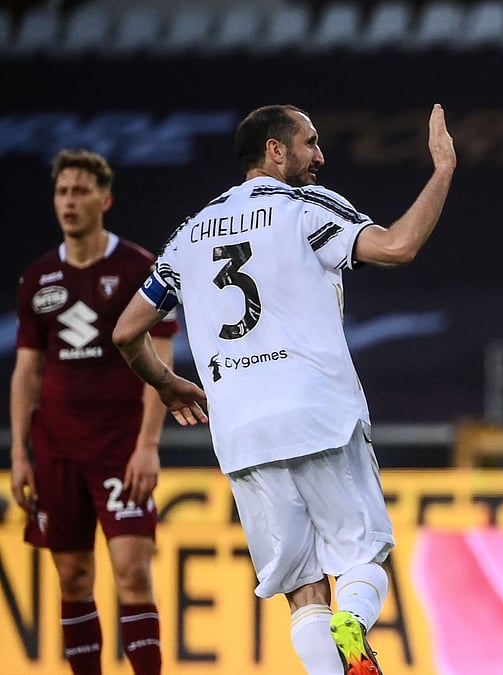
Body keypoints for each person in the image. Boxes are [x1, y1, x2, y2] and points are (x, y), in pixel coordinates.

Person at [111, 103, 456, 675]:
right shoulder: (303, 207)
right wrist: (441, 172)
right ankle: (358, 623)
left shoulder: (187, 234)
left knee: (300, 588)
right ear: (275, 150)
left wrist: (167, 383)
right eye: (310, 143)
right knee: (362, 557)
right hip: (317, 412)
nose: (320, 156)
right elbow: (397, 248)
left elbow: (126, 331)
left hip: (242, 432)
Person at [10, 149, 177, 675]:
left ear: (104, 200)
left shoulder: (138, 268)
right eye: (62, 192)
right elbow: (27, 372)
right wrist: (19, 452)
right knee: (73, 578)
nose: (69, 201)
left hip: (118, 448)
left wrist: (148, 446)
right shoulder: (38, 279)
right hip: (57, 449)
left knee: (131, 572)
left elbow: (162, 363)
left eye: (80, 191)